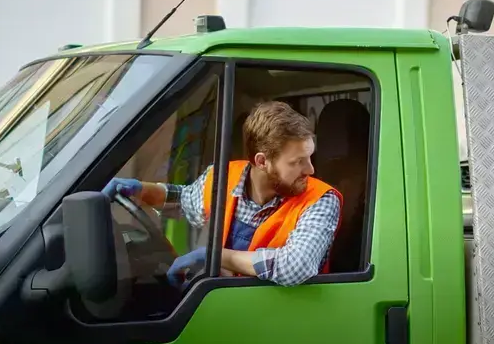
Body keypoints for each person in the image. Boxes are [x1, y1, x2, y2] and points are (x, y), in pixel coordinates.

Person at [103, 101, 343, 287]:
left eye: (309, 158)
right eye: (298, 162)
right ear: (262, 161)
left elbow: (295, 267)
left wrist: (217, 257)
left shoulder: (321, 200)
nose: (310, 169)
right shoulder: (222, 178)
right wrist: (141, 190)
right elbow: (186, 200)